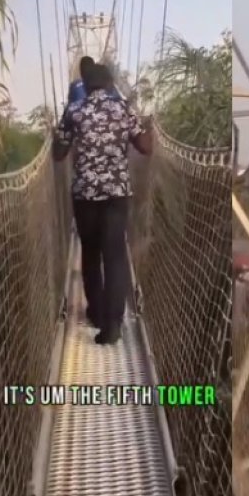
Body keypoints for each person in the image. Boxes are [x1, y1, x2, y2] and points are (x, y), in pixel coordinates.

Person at [53, 64, 153, 345]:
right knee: (115, 256)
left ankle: (95, 312)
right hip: (116, 195)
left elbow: (58, 154)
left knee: (91, 253)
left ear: (85, 83)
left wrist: (62, 137)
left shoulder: (74, 111)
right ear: (109, 84)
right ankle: (113, 325)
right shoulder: (124, 109)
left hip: (85, 195)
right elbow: (146, 147)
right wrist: (146, 127)